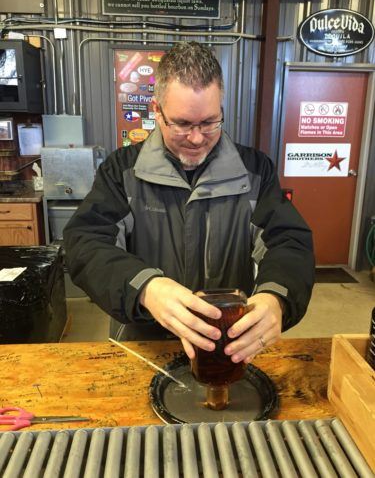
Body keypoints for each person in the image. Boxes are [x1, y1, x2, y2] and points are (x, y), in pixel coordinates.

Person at [63, 41, 314, 364]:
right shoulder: (121, 172)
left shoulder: (255, 172)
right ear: (157, 111)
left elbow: (289, 241)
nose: (197, 138)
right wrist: (146, 288)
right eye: (182, 123)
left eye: (210, 122)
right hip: (144, 346)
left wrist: (276, 296)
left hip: (228, 347)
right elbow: (85, 243)